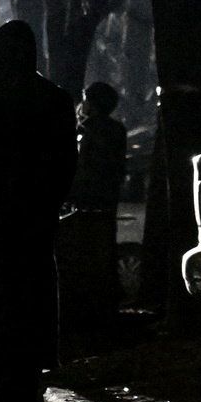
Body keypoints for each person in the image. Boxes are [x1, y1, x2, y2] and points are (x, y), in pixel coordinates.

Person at [0, 20, 77, 402]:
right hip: (35, 218)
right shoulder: (54, 99)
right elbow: (65, 163)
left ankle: (2, 392)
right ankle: (28, 389)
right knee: (33, 298)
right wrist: (49, 203)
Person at [60, 81, 129, 332]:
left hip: (86, 206)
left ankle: (84, 314)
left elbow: (78, 170)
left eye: (86, 98)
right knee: (104, 256)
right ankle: (105, 308)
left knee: (83, 258)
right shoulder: (117, 131)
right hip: (106, 205)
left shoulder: (85, 132)